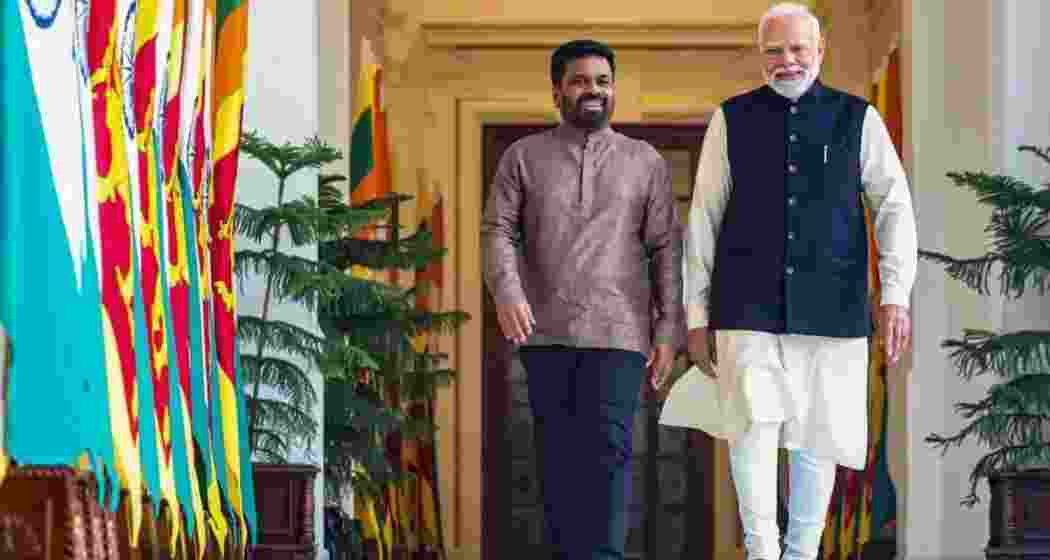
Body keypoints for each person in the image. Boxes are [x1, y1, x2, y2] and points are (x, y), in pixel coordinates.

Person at [682, 3, 917, 560]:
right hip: (745, 306)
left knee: (818, 438)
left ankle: (803, 553)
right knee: (751, 433)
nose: (785, 60)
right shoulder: (731, 118)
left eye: (796, 49)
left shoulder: (856, 117)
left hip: (833, 307)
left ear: (819, 51)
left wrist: (894, 296)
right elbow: (704, 218)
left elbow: (894, 208)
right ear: (761, 55)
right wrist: (696, 316)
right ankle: (762, 552)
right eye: (773, 51)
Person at [480, 39, 682, 560]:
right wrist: (507, 291)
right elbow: (497, 229)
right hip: (545, 334)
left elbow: (665, 248)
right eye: (579, 81)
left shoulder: (645, 162)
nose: (592, 90)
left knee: (609, 455)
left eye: (602, 82)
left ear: (613, 90)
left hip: (619, 335)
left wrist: (667, 331)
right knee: (556, 460)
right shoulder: (522, 157)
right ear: (557, 91)